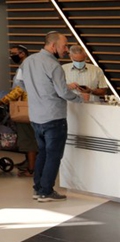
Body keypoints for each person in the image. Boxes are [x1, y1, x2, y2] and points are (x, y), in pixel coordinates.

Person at [17, 31, 89, 202]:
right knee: (54, 155)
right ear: (53, 45)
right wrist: (80, 99)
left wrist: (37, 94)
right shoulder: (54, 65)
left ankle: (38, 189)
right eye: (64, 46)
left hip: (36, 117)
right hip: (53, 117)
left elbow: (18, 83)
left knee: (43, 152)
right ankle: (46, 191)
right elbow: (62, 92)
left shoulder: (28, 61)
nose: (66, 49)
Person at [3, 44, 37, 177]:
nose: (12, 56)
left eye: (13, 53)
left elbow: (19, 89)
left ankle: (31, 169)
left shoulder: (25, 66)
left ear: (22, 53)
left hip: (25, 107)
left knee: (28, 138)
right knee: (30, 137)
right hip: (34, 106)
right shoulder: (32, 65)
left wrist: (3, 100)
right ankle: (29, 163)